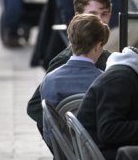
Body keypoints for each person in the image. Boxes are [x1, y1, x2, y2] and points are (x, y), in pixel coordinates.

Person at [27, 0, 114, 136]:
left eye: (104, 14)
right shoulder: (64, 60)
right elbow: (35, 107)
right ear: (78, 17)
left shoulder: (108, 58)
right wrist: (64, 139)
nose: (100, 21)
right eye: (92, 14)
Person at [39, 13, 109, 147]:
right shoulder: (105, 81)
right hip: (99, 158)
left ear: (70, 41)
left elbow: (49, 133)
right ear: (97, 46)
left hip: (64, 157)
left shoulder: (50, 80)